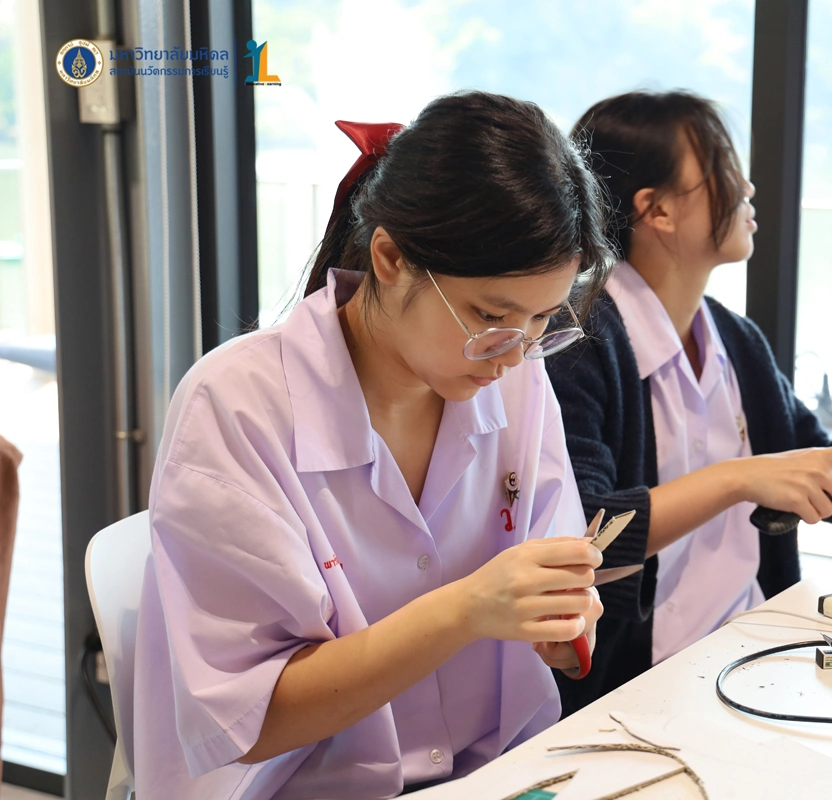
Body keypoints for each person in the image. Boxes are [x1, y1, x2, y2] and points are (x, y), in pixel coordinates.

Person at [132, 92, 614, 799]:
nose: (515, 354)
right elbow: (252, 721)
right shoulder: (239, 405)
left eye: (543, 321)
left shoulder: (514, 373)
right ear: (390, 257)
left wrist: (563, 619)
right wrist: (467, 609)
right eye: (491, 315)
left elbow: (553, 580)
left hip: (492, 773)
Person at [547, 90, 832, 715]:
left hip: (752, 653)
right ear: (657, 210)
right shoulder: (577, 344)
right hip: (638, 688)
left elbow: (831, 481)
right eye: (724, 171)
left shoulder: (735, 339)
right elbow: (585, 536)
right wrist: (740, 478)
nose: (748, 188)